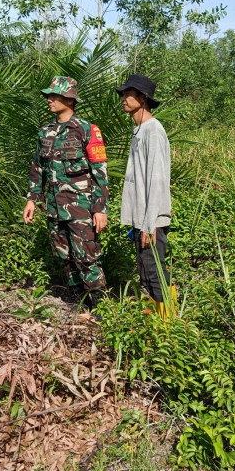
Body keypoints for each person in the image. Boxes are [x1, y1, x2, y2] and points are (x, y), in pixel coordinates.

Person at [23, 76, 109, 313]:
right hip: (54, 208)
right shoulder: (45, 132)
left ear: (69, 99)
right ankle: (78, 303)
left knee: (87, 258)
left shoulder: (87, 130)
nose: (49, 100)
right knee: (65, 256)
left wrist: (100, 209)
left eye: (54, 95)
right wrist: (32, 199)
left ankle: (101, 308)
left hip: (81, 207)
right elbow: (37, 168)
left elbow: (100, 172)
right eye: (49, 96)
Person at [116, 74, 176, 318]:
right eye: (122, 95)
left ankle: (169, 325)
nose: (124, 99)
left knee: (154, 271)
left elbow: (158, 178)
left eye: (128, 95)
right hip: (142, 218)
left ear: (143, 98)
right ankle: (156, 322)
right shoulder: (139, 130)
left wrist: (150, 223)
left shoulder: (153, 130)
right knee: (146, 270)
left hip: (151, 220)